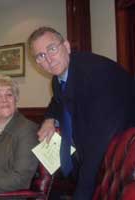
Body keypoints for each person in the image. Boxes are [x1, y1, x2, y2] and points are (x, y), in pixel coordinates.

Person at [27, 26, 135, 200]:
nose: (49, 59)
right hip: (94, 157)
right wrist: (50, 118)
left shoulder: (96, 73)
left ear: (67, 46)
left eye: (51, 49)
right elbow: (57, 101)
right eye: (41, 56)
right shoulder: (58, 79)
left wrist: (81, 195)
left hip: (124, 159)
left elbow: (97, 143)